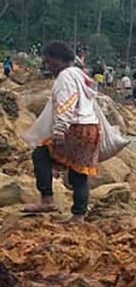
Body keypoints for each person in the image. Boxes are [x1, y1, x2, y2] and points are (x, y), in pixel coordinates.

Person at [25, 42, 102, 220]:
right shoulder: (80, 75)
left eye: (49, 62)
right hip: (91, 128)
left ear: (58, 60)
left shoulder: (65, 77)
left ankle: (47, 200)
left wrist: (59, 130)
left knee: (41, 154)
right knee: (79, 173)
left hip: (74, 128)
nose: (48, 66)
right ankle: (78, 215)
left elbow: (66, 103)